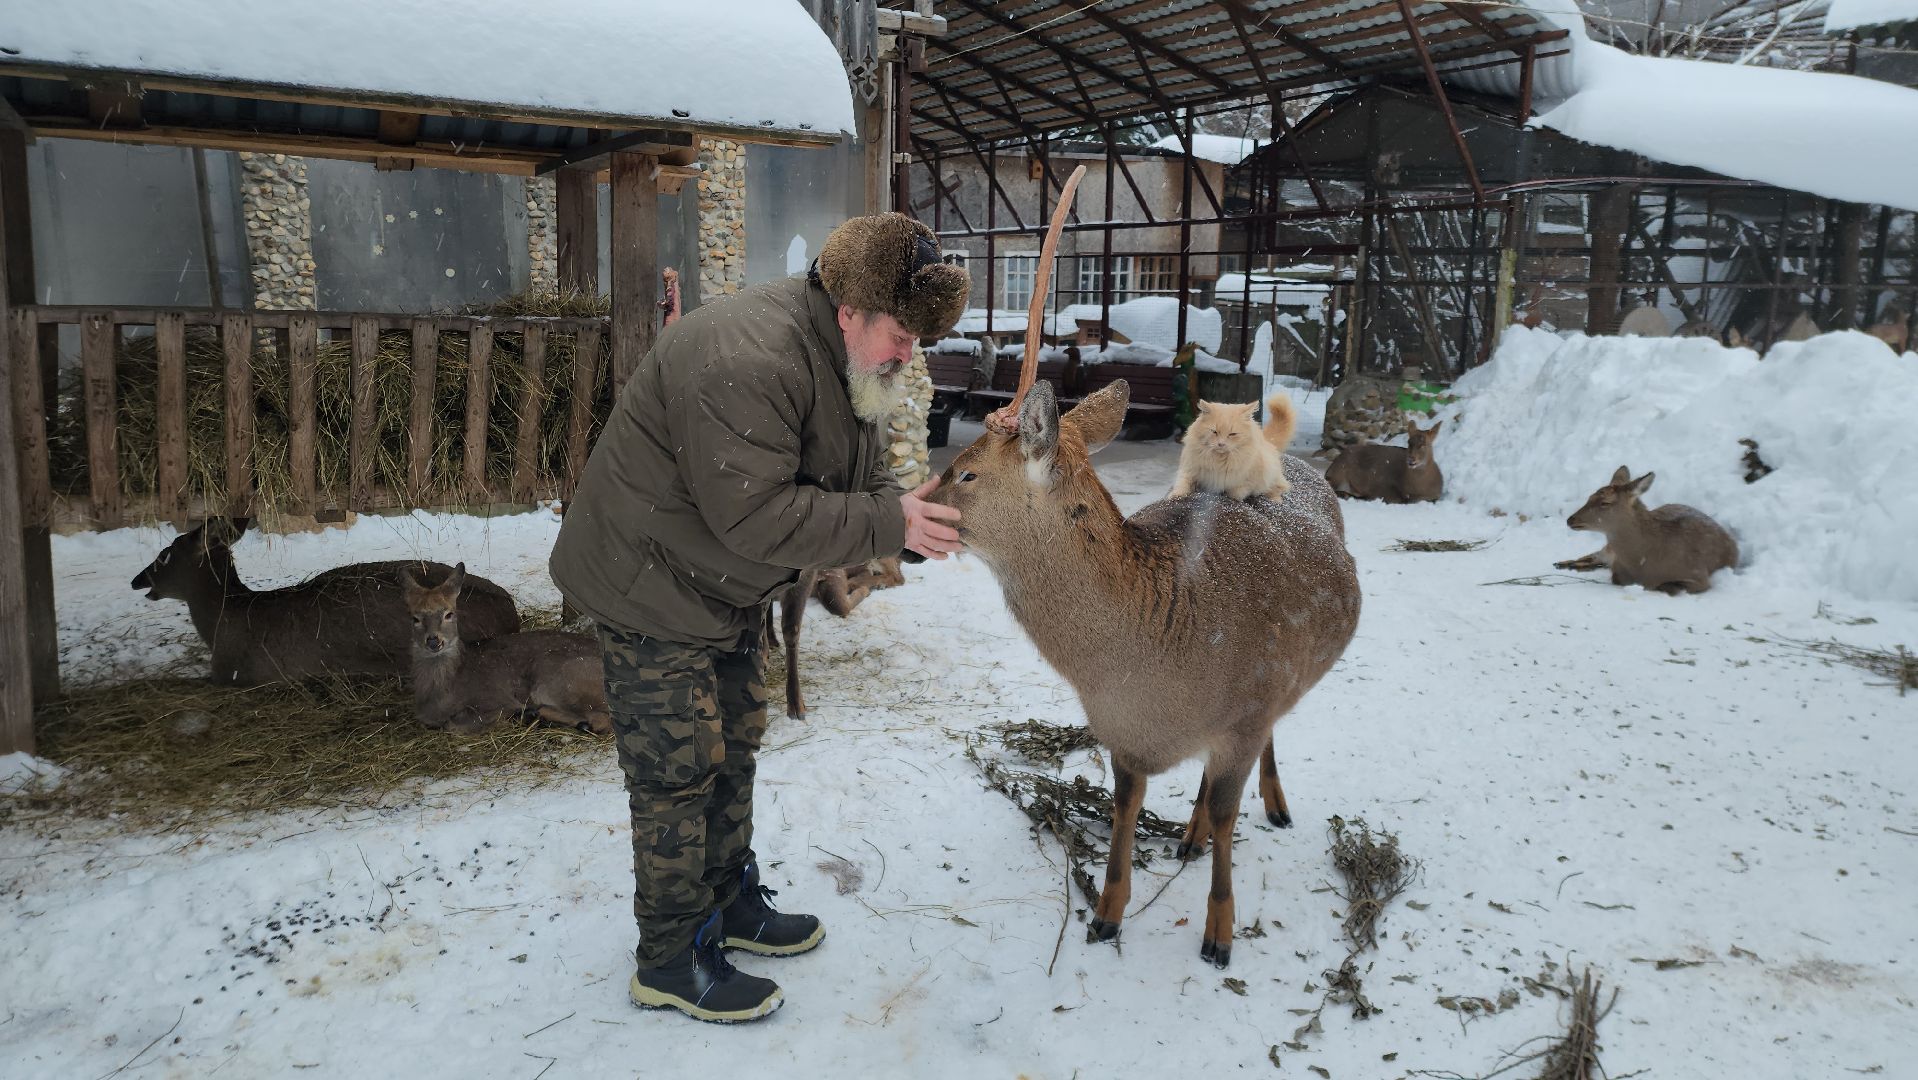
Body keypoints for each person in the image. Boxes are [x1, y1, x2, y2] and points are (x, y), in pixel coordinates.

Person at [550, 213, 969, 1023]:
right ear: (850, 309)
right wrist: (887, 525)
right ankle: (670, 956)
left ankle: (727, 901)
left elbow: (862, 474)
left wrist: (909, 519)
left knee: (735, 741)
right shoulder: (747, 357)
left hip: (722, 582)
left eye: (919, 337)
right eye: (900, 333)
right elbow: (756, 516)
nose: (909, 353)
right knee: (677, 769)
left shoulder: (851, 362)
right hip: (650, 578)